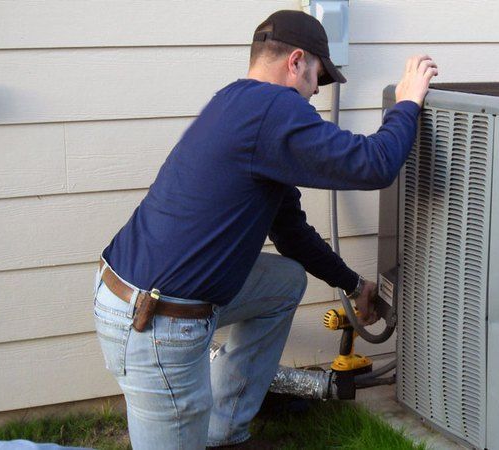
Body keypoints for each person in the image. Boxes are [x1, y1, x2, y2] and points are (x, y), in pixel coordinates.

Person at [92, 9, 437, 450]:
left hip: (143, 296)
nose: (314, 93)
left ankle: (225, 430)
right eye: (318, 77)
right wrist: (407, 102)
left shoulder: (236, 103)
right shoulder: (275, 108)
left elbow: (290, 231)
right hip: (155, 322)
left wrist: (351, 285)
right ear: (296, 61)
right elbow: (375, 164)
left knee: (283, 280)